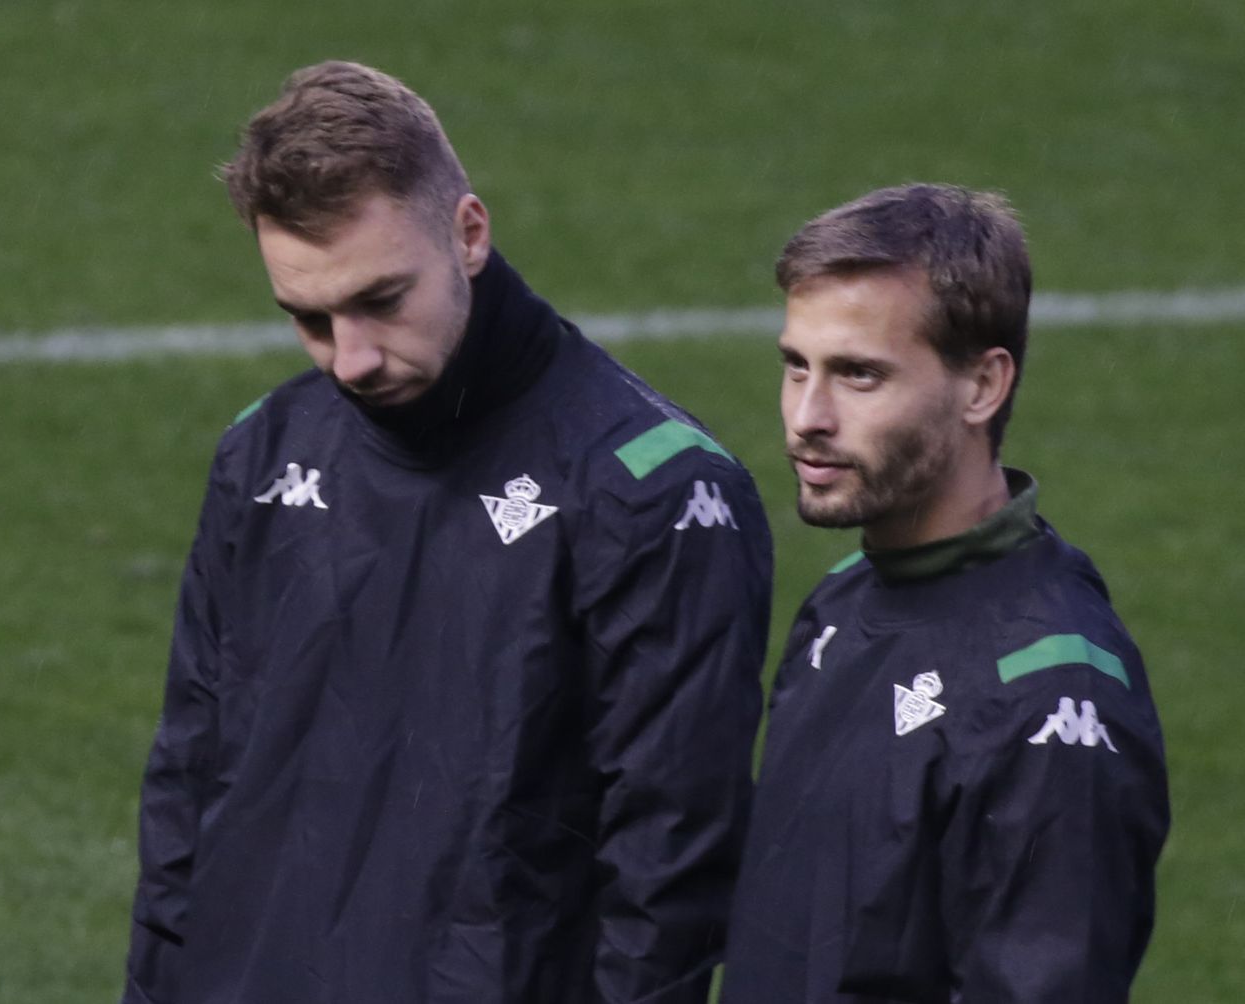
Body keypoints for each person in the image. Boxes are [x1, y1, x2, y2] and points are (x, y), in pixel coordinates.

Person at [122, 61, 772, 1004]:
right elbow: (189, 784)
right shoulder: (266, 453)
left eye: (382, 301)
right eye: (309, 318)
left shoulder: (655, 495)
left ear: (468, 234)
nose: (350, 360)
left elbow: (669, 872)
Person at [720, 184, 1169, 1003]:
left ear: (982, 387)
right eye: (796, 366)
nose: (805, 418)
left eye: (858, 375)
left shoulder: (1054, 696)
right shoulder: (845, 600)